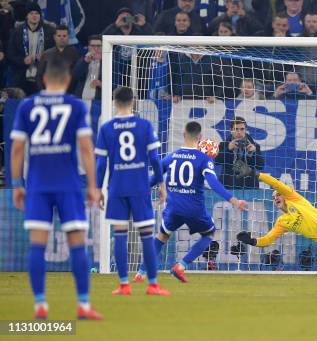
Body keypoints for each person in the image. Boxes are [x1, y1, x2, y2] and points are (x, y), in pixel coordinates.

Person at [10, 57, 102, 319]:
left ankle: (40, 304)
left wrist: (18, 184)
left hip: (37, 184)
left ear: (44, 79)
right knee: (77, 244)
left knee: (36, 245)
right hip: (68, 184)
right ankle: (83, 305)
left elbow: (17, 149)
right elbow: (86, 148)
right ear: (69, 80)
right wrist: (93, 186)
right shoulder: (74, 105)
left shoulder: (27, 106)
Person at [135, 122, 247, 283]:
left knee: (161, 236)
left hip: (173, 208)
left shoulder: (171, 156)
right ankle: (180, 266)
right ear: (200, 137)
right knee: (209, 234)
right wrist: (234, 200)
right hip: (194, 208)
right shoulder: (204, 159)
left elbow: (153, 179)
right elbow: (213, 183)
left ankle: (141, 272)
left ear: (183, 135)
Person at [95, 86, 169, 296]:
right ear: (134, 102)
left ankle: (123, 284)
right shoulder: (144, 126)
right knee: (146, 235)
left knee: (120, 234)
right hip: (139, 186)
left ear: (114, 102)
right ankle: (153, 284)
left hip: (117, 187)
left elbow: (101, 164)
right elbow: (155, 159)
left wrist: (98, 189)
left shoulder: (106, 128)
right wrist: (162, 184)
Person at [6, 3, 55, 95]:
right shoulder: (17, 32)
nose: (34, 16)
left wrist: (45, 57)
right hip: (21, 76)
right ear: (26, 16)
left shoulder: (49, 31)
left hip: (42, 76)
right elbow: (10, 54)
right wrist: (22, 60)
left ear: (40, 15)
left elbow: (55, 52)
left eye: (37, 13)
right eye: (31, 13)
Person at [216, 116, 265, 188]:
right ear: (231, 130)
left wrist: (254, 153)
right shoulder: (223, 145)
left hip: (249, 187)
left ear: (246, 130)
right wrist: (228, 149)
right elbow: (217, 162)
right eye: (236, 129)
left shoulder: (254, 146)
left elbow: (261, 166)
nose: (239, 132)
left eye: (242, 129)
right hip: (228, 185)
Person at [37, 25, 80, 90]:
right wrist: (44, 92)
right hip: (49, 93)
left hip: (69, 94)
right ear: (54, 37)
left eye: (64, 36)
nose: (61, 38)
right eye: (59, 36)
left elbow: (77, 76)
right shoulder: (46, 54)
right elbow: (39, 76)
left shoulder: (75, 54)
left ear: (68, 37)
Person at [71, 35, 102, 100]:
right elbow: (74, 76)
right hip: (81, 99)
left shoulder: (109, 63)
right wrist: (85, 61)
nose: (96, 49)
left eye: (99, 46)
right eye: (93, 46)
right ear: (88, 47)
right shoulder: (82, 60)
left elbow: (115, 85)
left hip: (99, 102)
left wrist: (101, 84)